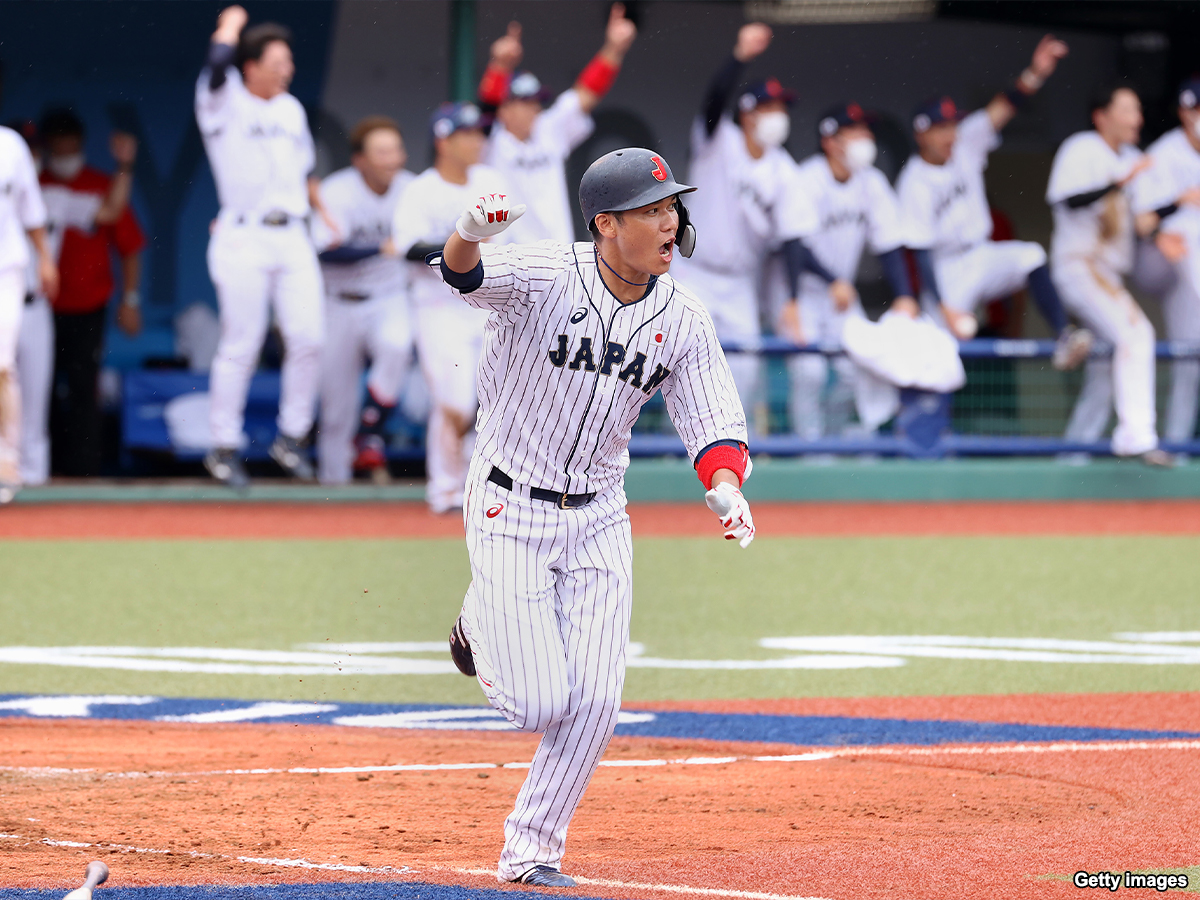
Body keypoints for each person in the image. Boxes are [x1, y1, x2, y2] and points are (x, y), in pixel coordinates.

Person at [438, 147, 754, 886]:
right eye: (652, 210)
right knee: (539, 702)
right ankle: (478, 626)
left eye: (672, 206)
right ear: (606, 224)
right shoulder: (549, 271)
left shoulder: (683, 316)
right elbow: (463, 274)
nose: (670, 221)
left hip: (602, 516)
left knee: (597, 700)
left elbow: (712, 415)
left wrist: (726, 484)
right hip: (508, 500)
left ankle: (531, 853)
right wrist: (468, 230)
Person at [896, 35, 1091, 370]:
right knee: (934, 357)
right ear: (921, 135)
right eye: (941, 128)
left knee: (1031, 255)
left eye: (952, 125)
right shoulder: (912, 181)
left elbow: (1004, 107)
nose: (950, 134)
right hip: (945, 270)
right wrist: (946, 309)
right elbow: (921, 253)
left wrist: (1036, 73)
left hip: (981, 254)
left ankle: (1063, 335)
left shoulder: (966, 142)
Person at [196, 5, 331, 488]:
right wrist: (229, 28)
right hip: (243, 233)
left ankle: (290, 437)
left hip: (293, 233)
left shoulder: (291, 108)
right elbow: (215, 67)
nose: (287, 69)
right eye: (277, 62)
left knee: (309, 337)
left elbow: (304, 172)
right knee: (243, 342)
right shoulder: (224, 98)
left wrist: (325, 214)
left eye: (288, 62)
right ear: (250, 66)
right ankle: (223, 445)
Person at [672, 23, 822, 422]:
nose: (779, 116)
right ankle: (675, 452)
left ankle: (727, 458)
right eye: (770, 108)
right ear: (748, 114)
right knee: (678, 365)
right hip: (694, 271)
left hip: (740, 282)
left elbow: (793, 238)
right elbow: (713, 101)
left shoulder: (783, 169)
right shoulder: (718, 140)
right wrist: (738, 57)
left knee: (745, 372)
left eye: (781, 108)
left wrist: (790, 300)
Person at [775, 102, 918, 440]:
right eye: (856, 131)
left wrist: (905, 296)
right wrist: (830, 281)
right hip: (803, 292)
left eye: (866, 131)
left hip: (840, 294)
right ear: (830, 141)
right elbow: (795, 245)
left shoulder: (872, 181)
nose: (865, 138)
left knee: (857, 371)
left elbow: (890, 243)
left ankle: (834, 442)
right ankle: (808, 451)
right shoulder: (807, 179)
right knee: (809, 372)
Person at [392, 102, 506, 513]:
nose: (478, 140)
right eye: (468, 133)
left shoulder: (491, 180)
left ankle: (468, 490)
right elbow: (405, 247)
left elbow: (511, 243)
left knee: (491, 404)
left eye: (480, 133)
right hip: (439, 307)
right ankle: (444, 489)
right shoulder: (421, 189)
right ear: (444, 139)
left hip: (488, 309)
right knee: (456, 403)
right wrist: (462, 243)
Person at [1048, 83, 1170, 465]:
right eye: (1128, 110)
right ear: (1102, 116)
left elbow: (1145, 220)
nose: (1137, 119)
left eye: (1137, 110)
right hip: (1078, 265)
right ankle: (1137, 436)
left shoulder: (1133, 157)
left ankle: (1072, 457)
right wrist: (1120, 182)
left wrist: (1169, 215)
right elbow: (1069, 199)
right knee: (1137, 333)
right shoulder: (1081, 148)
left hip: (1109, 274)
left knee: (1105, 371)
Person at [475, 3, 637, 245]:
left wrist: (613, 50)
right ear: (505, 108)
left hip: (556, 255)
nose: (534, 109)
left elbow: (585, 93)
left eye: (536, 102)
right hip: (509, 259)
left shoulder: (547, 128)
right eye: (525, 102)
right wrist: (499, 66)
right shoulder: (489, 139)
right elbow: (486, 107)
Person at [38, 109, 144, 477]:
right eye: (56, 145)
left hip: (88, 305)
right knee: (40, 392)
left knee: (85, 389)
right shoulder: (36, 186)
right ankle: (40, 470)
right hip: (40, 307)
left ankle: (84, 472)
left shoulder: (89, 186)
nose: (63, 154)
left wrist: (125, 166)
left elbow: (114, 216)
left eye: (69, 144)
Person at [314, 116, 414, 485]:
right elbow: (323, 252)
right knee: (336, 410)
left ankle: (371, 427)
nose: (392, 159)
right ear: (360, 159)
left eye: (395, 150)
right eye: (381, 152)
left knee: (397, 345)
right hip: (338, 301)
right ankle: (333, 490)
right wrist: (377, 248)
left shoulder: (411, 189)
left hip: (388, 296)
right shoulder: (337, 191)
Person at [1129, 78, 1200, 450]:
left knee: (1190, 355)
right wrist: (1177, 205)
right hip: (1157, 259)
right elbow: (1140, 223)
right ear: (1184, 113)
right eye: (1197, 110)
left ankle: (1175, 444)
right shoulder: (1164, 154)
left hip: (1190, 274)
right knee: (1189, 235)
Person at [0, 122, 55, 503]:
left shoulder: (10, 144)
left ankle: (6, 462)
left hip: (7, 268)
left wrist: (46, 259)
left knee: (2, 366)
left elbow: (31, 211)